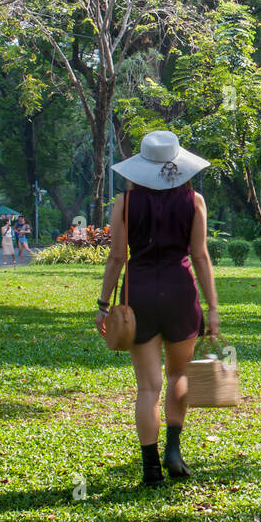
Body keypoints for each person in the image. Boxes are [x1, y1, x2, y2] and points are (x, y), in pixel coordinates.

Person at [96, 130, 220, 486]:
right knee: (178, 375)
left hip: (141, 295)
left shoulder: (125, 202)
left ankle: (150, 468)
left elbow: (117, 256)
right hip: (182, 294)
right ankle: (174, 450)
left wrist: (104, 305)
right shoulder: (194, 200)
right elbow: (200, 256)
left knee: (147, 388)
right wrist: (212, 308)